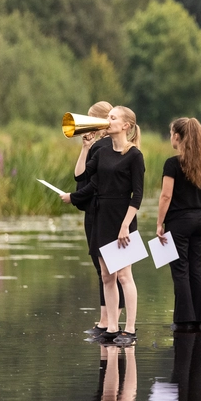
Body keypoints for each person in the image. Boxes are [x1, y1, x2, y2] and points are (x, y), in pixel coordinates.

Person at [63, 106, 144, 347]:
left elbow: (137, 195)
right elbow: (80, 177)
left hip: (123, 218)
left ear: (126, 126)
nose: (107, 121)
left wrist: (125, 226)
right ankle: (111, 327)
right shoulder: (102, 152)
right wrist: (85, 147)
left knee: (124, 275)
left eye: (112, 118)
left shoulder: (134, 155)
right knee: (107, 275)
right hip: (102, 217)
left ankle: (129, 329)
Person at [72, 100, 124, 337]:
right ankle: (108, 320)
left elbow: (82, 181)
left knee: (105, 269)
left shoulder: (102, 148)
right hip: (113, 214)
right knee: (112, 270)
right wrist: (85, 148)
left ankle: (107, 321)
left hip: (98, 214)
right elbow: (81, 176)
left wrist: (72, 197)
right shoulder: (112, 145)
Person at [156, 117, 201, 334]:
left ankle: (183, 320)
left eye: (171, 133)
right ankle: (199, 318)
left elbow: (165, 196)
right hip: (199, 219)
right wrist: (199, 217)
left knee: (180, 270)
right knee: (195, 269)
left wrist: (159, 224)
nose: (171, 137)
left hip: (179, 221)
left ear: (177, 137)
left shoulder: (172, 163)